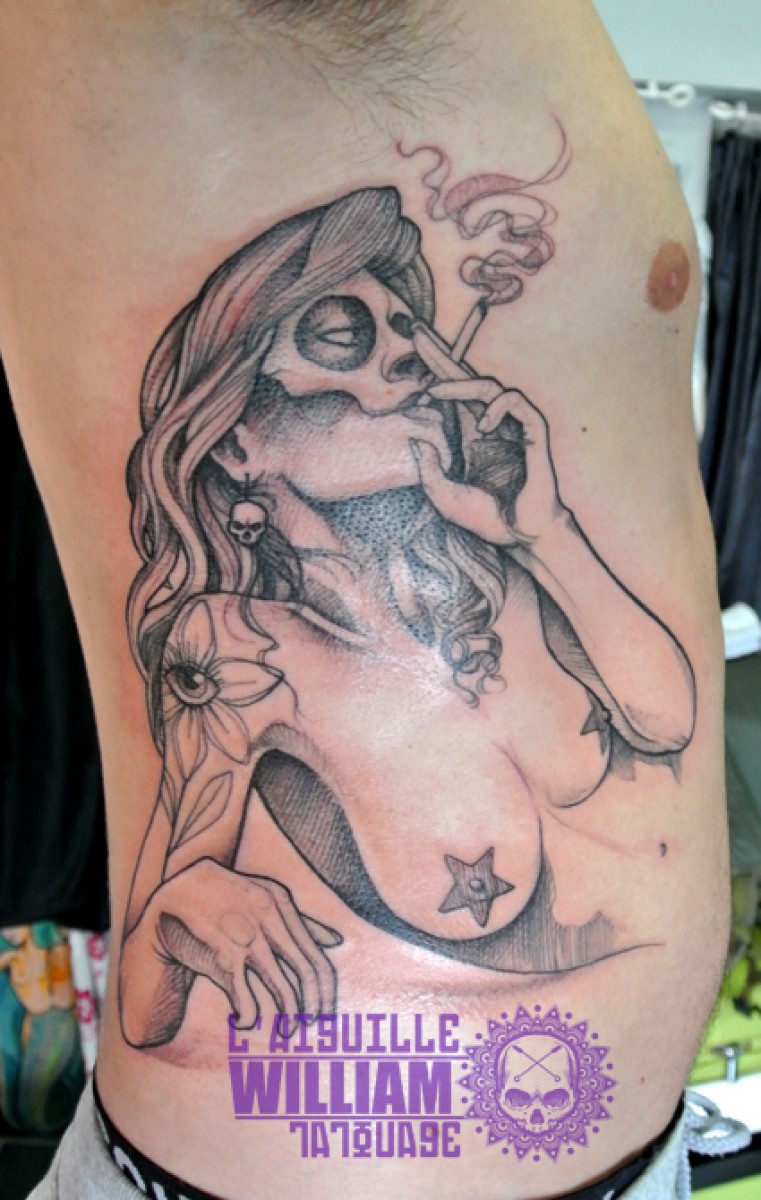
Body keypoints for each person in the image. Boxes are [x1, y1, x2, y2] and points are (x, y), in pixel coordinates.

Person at [0, 1, 739, 1197]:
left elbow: (662, 719)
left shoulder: (489, 569)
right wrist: (188, 901)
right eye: (338, 331)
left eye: (403, 325)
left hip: (643, 1162)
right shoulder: (237, 643)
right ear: (236, 437)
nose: (401, 354)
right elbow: (145, 1003)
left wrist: (540, 528)